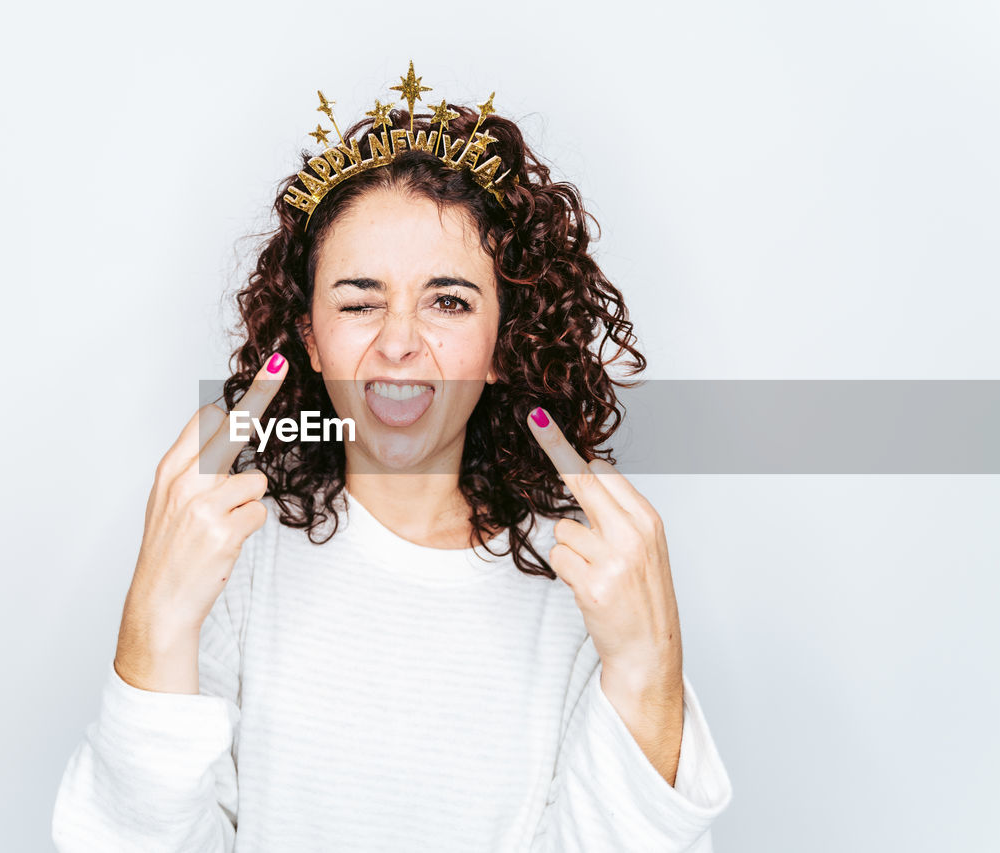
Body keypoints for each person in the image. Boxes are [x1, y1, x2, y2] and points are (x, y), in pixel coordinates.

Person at [51, 62, 733, 852]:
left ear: (500, 346)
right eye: (359, 301)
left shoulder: (588, 586)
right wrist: (155, 618)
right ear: (309, 337)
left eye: (448, 300)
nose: (399, 341)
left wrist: (649, 666)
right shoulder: (235, 563)